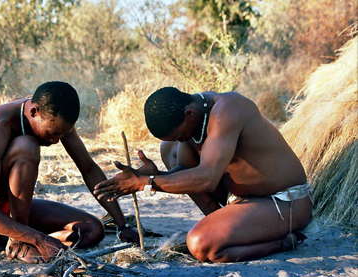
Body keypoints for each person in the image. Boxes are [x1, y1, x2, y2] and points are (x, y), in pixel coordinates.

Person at [93, 87, 313, 263]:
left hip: (283, 202)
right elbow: (188, 174)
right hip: (244, 202)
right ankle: (223, 225)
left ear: (189, 114)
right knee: (168, 149)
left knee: (200, 244)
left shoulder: (229, 110)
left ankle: (282, 242)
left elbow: (207, 178)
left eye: (181, 135)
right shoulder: (196, 116)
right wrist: (155, 175)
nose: (181, 140)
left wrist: (146, 183)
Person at [0, 81, 138, 264]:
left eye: (62, 134)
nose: (56, 141)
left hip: (6, 212)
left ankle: (13, 235)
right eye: (53, 134)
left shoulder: (56, 117)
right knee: (26, 146)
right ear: (34, 112)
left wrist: (122, 225)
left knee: (92, 230)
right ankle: (20, 241)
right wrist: (39, 238)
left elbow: (88, 168)